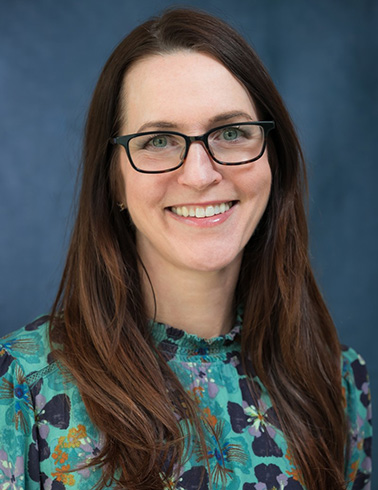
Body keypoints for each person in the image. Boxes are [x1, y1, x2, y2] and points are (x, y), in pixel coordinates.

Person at [0, 8, 372, 490]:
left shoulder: (337, 383)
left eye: (232, 132)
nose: (200, 174)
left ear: (272, 159)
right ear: (113, 177)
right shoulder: (20, 385)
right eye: (158, 140)